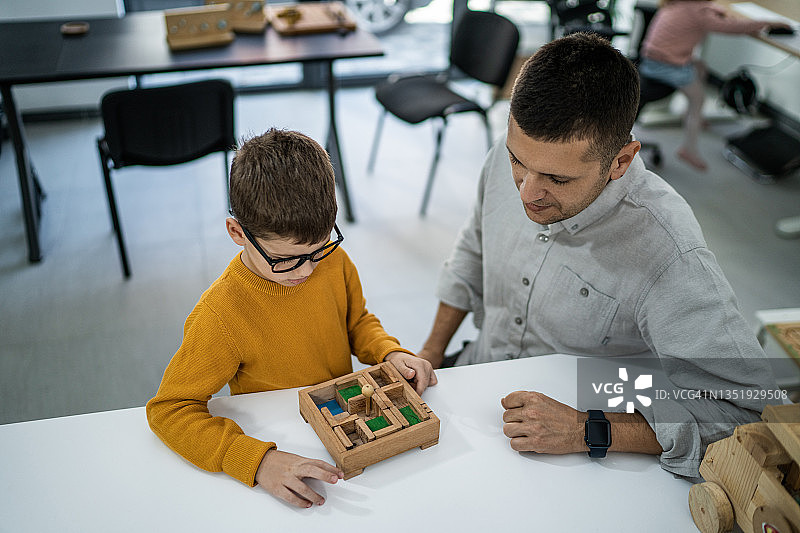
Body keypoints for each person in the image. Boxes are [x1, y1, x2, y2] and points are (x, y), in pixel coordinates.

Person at [416, 33, 777, 478]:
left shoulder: (669, 253)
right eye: (517, 162)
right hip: (477, 384)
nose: (527, 192)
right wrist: (429, 357)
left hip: (580, 453)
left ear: (620, 162)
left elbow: (746, 418)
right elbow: (473, 249)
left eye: (557, 179)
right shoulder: (516, 155)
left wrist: (591, 429)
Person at [147, 129, 436, 508]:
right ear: (237, 232)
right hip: (279, 438)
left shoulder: (333, 262)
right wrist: (257, 460)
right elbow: (170, 409)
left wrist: (388, 353)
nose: (306, 270)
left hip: (342, 420)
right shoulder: (220, 315)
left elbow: (357, 321)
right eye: (284, 260)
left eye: (317, 251)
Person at [639, 0, 790, 171]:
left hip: (652, 59)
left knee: (700, 67)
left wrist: (714, 9)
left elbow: (705, 12)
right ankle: (688, 149)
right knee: (698, 100)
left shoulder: (677, 5)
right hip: (666, 66)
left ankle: (690, 115)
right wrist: (768, 22)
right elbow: (732, 28)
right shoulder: (698, 13)